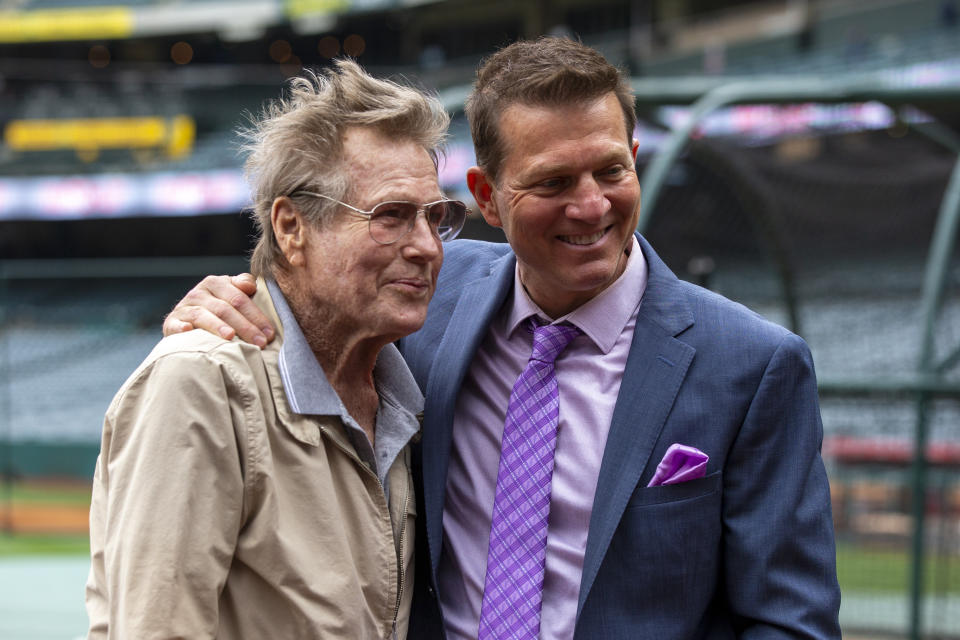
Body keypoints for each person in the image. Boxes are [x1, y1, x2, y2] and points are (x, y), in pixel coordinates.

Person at [163, 38, 841, 639]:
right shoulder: (423, 299)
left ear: (635, 159)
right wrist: (236, 297)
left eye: (611, 170)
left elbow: (790, 621)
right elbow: (314, 283)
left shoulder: (753, 365)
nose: (591, 205)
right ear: (486, 197)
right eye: (552, 182)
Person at [86, 59, 467, 639]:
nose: (426, 247)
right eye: (390, 216)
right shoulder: (200, 383)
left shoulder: (396, 385)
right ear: (291, 228)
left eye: (435, 217)